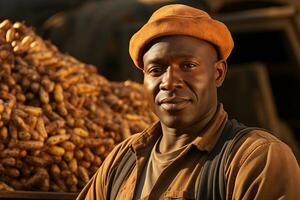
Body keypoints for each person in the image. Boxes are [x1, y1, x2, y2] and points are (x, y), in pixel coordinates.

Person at [77, 4, 300, 200]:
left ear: (218, 73)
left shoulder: (254, 159)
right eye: (156, 70)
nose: (170, 82)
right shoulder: (121, 161)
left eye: (188, 66)